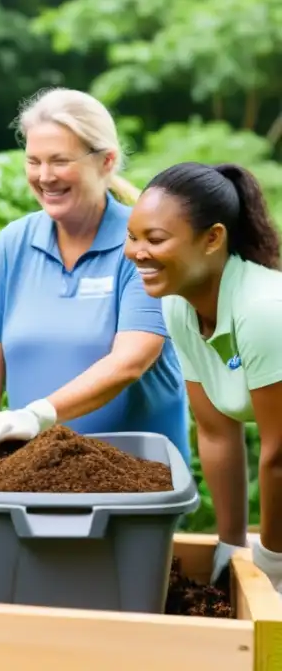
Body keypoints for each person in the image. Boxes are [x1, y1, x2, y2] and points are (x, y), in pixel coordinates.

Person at [0, 87, 189, 463]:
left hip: (137, 475)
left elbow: (130, 360)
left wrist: (37, 415)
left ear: (107, 161)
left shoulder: (147, 242)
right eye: (33, 161)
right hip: (35, 473)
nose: (44, 176)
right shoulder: (13, 244)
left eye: (59, 161)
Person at [125, 161, 282, 593]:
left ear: (213, 238)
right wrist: (230, 545)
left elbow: (279, 455)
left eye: (155, 239)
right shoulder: (180, 304)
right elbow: (215, 431)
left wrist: (272, 559)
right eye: (132, 236)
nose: (137, 251)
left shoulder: (266, 311)